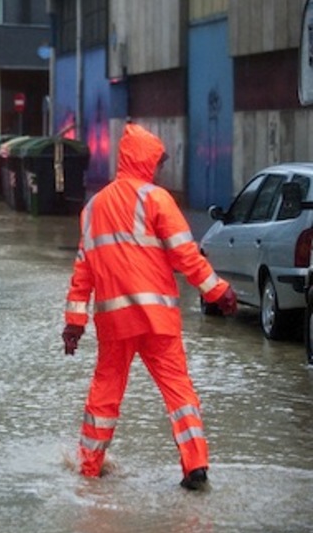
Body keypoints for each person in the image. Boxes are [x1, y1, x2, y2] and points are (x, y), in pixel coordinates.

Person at [62, 123, 238, 490]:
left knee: (105, 393)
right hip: (157, 318)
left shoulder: (92, 208)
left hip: (114, 322)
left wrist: (74, 322)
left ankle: (89, 470)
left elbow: (83, 271)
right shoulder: (156, 199)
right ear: (147, 160)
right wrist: (216, 290)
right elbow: (185, 254)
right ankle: (195, 467)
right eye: (158, 161)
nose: (159, 169)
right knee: (179, 392)